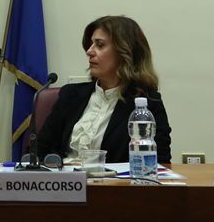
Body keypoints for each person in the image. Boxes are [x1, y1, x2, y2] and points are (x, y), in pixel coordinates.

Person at [35, 15, 172, 164]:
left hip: (114, 179)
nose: (89, 51)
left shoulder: (147, 104)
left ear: (124, 53)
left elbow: (160, 162)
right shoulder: (70, 95)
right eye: (90, 44)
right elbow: (38, 151)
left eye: (99, 45)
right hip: (63, 178)